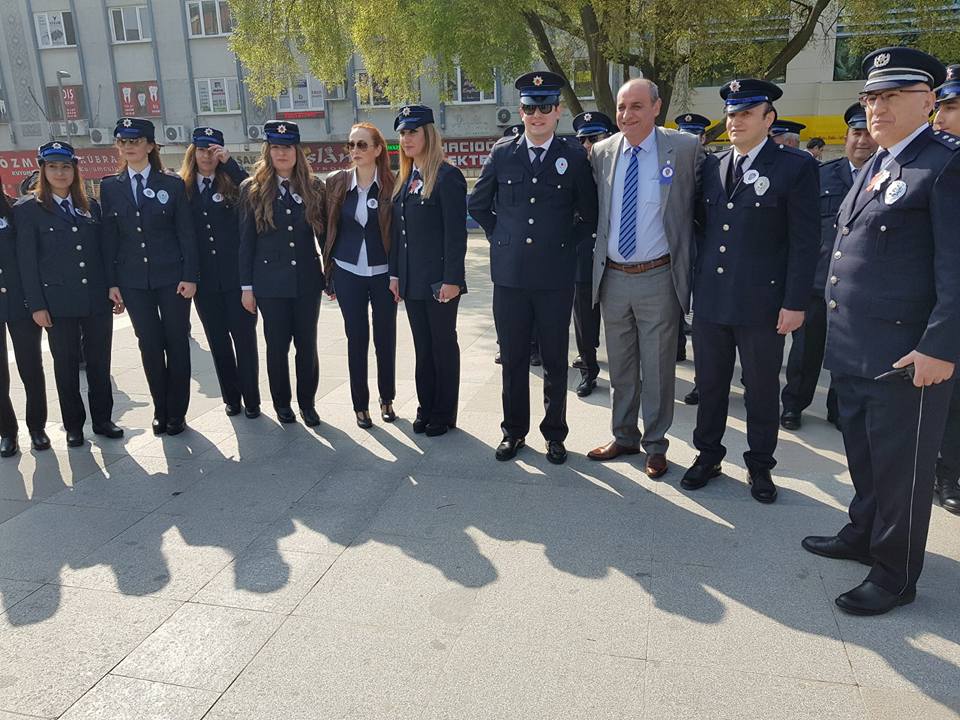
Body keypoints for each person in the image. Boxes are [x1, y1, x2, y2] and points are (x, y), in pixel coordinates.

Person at [802, 48, 960, 615]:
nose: (877, 106)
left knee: (903, 471)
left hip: (906, 355)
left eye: (893, 95)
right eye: (872, 96)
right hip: (856, 348)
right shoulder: (880, 161)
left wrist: (941, 346)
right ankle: (863, 533)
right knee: (865, 457)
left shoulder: (945, 163)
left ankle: (895, 574)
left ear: (928, 100)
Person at [682, 78, 819, 503]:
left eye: (745, 113)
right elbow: (701, 230)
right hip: (712, 299)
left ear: (768, 117)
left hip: (763, 302)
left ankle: (760, 465)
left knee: (761, 389)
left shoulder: (795, 167)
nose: (735, 121)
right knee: (710, 384)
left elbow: (804, 240)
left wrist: (795, 302)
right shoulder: (713, 164)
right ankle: (708, 456)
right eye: (731, 113)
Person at [469, 70, 598, 464]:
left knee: (556, 360)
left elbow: (589, 216)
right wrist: (501, 238)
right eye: (529, 107)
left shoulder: (573, 157)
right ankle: (514, 432)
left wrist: (564, 247)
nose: (536, 114)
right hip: (510, 277)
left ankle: (555, 434)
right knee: (513, 359)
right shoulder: (502, 153)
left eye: (544, 107)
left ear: (557, 111)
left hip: (555, 278)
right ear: (521, 113)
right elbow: (478, 204)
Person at [585, 79, 705, 479]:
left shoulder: (684, 149)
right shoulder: (602, 153)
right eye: (621, 107)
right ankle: (624, 436)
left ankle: (656, 445)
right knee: (620, 366)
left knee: (656, 368)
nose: (626, 115)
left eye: (636, 106)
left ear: (656, 108)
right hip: (614, 278)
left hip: (658, 275)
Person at [14, 141, 121, 448]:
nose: (59, 173)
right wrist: (36, 304)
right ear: (42, 170)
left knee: (100, 363)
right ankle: (74, 425)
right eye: (52, 167)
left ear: (75, 170)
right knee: (66, 365)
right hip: (57, 302)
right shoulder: (28, 210)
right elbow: (27, 262)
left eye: (65, 167)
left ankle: (103, 419)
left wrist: (113, 286)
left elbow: (103, 253)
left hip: (95, 298)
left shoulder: (90, 205)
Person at [780, 104, 877, 432]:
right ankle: (794, 403)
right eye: (856, 133)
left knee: (847, 355)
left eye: (868, 133)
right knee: (805, 351)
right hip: (817, 283)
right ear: (846, 137)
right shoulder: (821, 175)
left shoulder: (890, 177)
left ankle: (840, 408)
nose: (863, 140)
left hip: (861, 287)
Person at [101, 118, 197, 436]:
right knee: (150, 345)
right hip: (133, 281)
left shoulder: (170, 184)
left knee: (177, 344)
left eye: (136, 140)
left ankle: (177, 413)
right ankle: (160, 409)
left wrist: (190, 275)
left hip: (172, 278)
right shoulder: (110, 186)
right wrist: (112, 282)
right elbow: (110, 239)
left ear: (150, 145)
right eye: (123, 141)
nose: (129, 146)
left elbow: (186, 234)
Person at [239, 121, 325, 427]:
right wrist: (246, 287)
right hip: (269, 283)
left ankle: (308, 402)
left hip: (306, 281)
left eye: (287, 147)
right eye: (275, 147)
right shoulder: (252, 189)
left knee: (307, 344)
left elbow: (326, 235)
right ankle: (282, 402)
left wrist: (332, 274)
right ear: (268, 150)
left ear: (297, 151)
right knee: (276, 346)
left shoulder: (314, 187)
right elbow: (246, 242)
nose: (281, 153)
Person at [390, 105, 468, 436]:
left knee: (442, 345)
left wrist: (452, 279)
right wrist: (395, 275)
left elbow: (456, 234)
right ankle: (426, 405)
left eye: (413, 132)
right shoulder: (406, 179)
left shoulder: (447, 177)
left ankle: (443, 412)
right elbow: (398, 235)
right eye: (403, 133)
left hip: (439, 282)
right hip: (412, 281)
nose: (406, 138)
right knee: (423, 347)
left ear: (429, 134)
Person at [180, 127, 260, 419]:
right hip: (206, 282)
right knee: (218, 341)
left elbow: (255, 191)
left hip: (237, 279)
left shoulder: (233, 183)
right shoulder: (184, 187)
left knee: (245, 340)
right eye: (202, 150)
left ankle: (252, 399)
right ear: (193, 152)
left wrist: (231, 164)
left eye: (213, 151)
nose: (206, 156)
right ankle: (232, 398)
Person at [323, 122, 397, 429]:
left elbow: (402, 234)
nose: (355, 151)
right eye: (351, 145)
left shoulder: (394, 184)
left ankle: (387, 399)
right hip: (348, 270)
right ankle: (359, 404)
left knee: (385, 338)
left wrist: (399, 273)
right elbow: (325, 227)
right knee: (356, 338)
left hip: (383, 273)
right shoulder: (336, 182)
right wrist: (329, 274)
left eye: (362, 145)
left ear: (378, 150)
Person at [570, 110, 616, 397]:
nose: (588, 145)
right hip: (583, 253)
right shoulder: (574, 170)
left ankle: (629, 372)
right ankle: (588, 370)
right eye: (583, 140)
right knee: (584, 319)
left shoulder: (620, 168)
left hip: (617, 257)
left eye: (594, 137)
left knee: (622, 321)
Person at [931, 64, 960, 515]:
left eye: (952, 107)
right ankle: (948, 474)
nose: (939, 117)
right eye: (938, 106)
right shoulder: (941, 164)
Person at [0, 191, 48, 456]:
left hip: (20, 301)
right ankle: (7, 431)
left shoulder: (14, 210)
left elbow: (29, 256)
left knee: (30, 367)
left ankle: (37, 427)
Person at [674, 113, 713, 401]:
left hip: (704, 250)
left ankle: (702, 380)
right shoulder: (668, 163)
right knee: (671, 308)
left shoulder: (713, 165)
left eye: (695, 136)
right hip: (674, 248)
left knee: (700, 319)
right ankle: (676, 347)